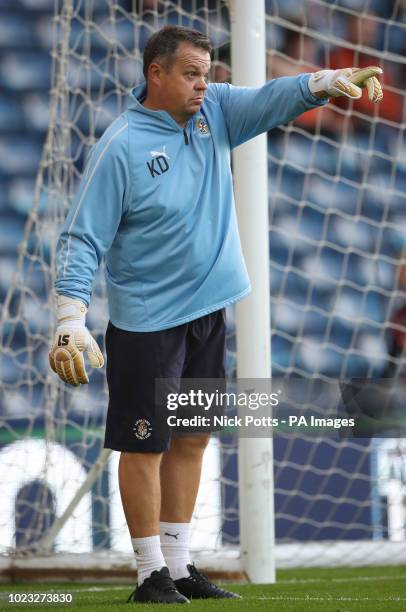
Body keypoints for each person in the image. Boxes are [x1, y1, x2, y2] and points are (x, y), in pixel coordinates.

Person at [49, 25, 383, 604]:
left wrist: (327, 81)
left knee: (194, 438)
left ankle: (179, 567)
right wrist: (69, 316)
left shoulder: (217, 113)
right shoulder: (121, 145)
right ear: (156, 74)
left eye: (207, 72)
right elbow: (82, 238)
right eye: (191, 73)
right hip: (147, 323)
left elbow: (271, 98)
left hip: (208, 313)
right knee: (145, 445)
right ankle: (148, 572)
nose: (205, 84)